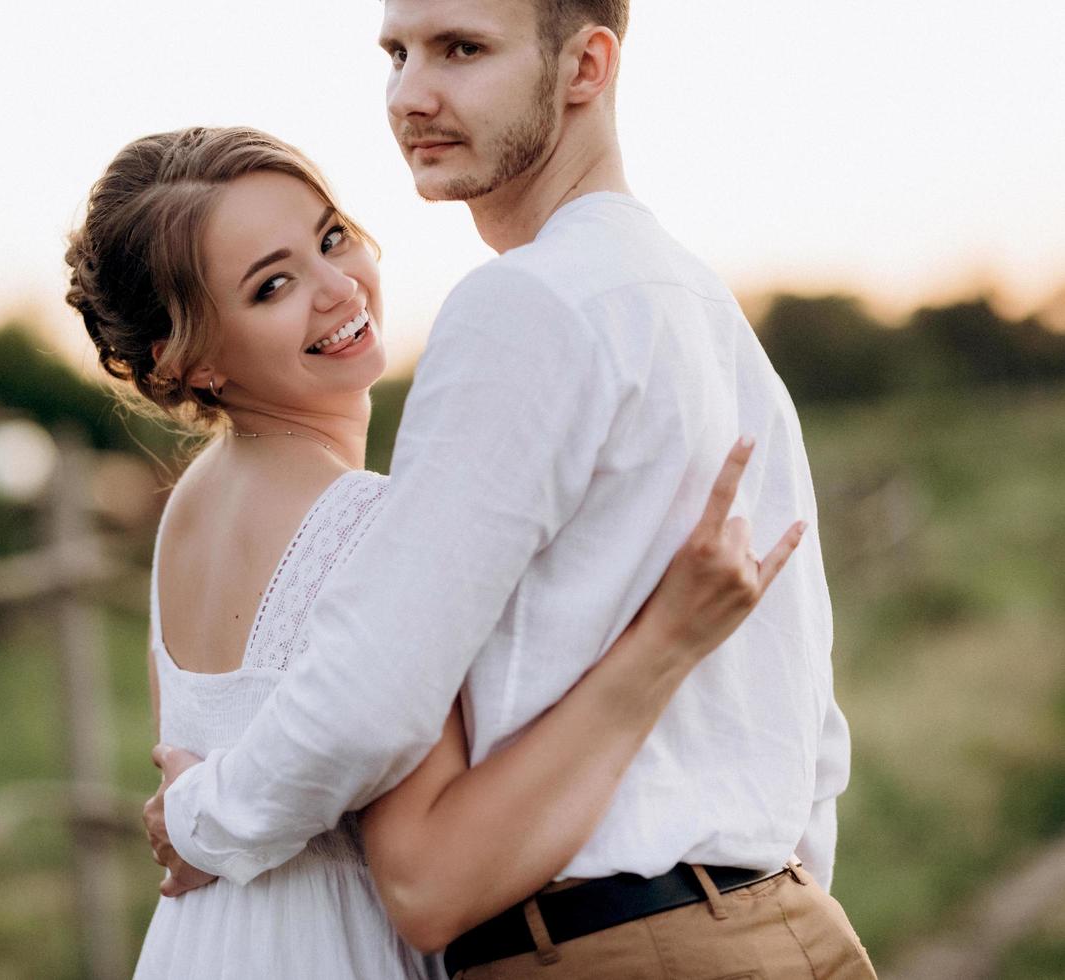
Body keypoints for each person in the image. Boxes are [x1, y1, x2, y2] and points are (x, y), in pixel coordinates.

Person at [142, 1, 879, 978]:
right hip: (787, 922)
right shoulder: (709, 315)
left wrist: (200, 814)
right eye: (397, 53)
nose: (410, 94)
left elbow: (368, 703)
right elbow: (806, 731)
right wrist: (767, 916)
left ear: (584, 67)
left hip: (618, 943)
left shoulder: (521, 304)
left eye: (461, 50)